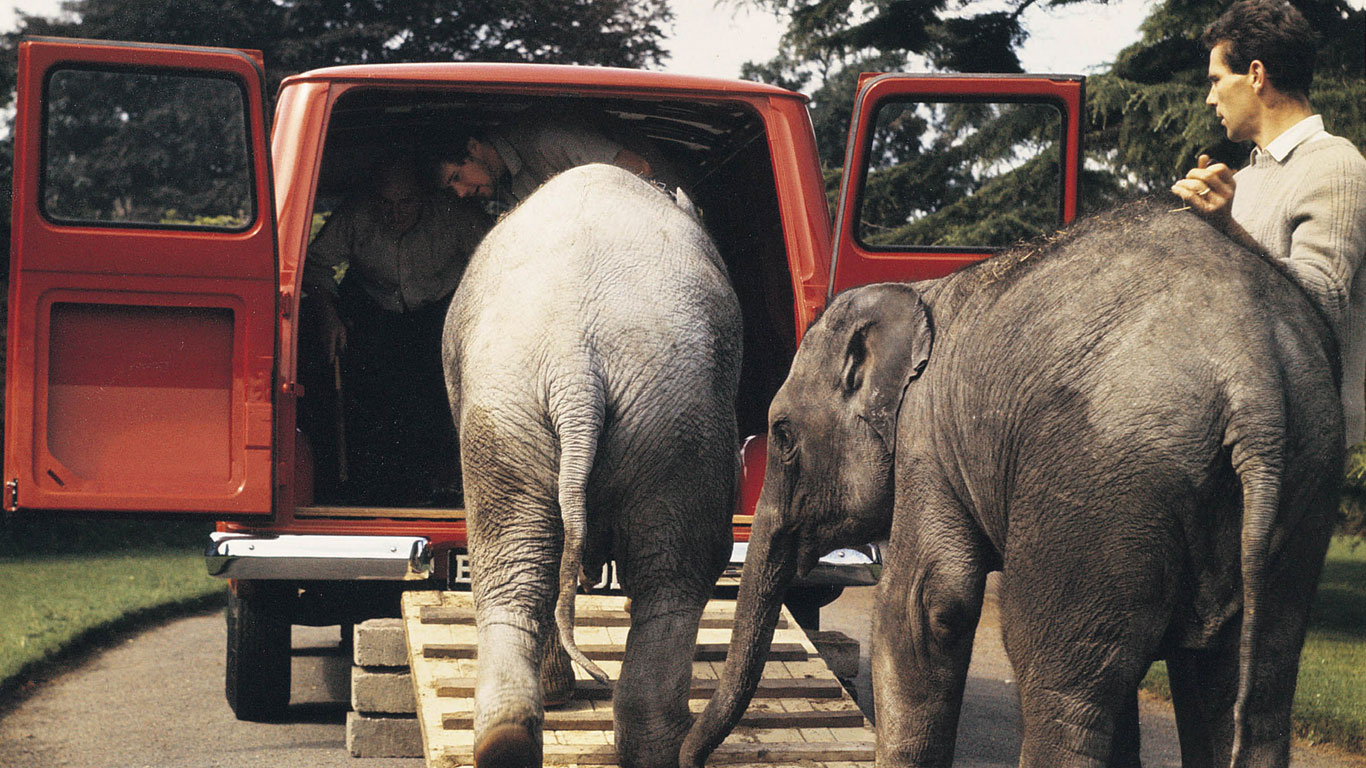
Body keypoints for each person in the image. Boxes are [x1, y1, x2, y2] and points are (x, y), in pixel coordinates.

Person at [1171, 0, 1366, 446]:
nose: (1210, 97)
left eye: (1217, 80)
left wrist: (1227, 230)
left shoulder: (1336, 164)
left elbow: (1324, 296)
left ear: (1256, 75)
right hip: (1245, 435)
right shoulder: (1248, 177)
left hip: (1303, 449)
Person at [303, 153, 492, 505]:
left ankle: (446, 484)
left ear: (422, 196)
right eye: (386, 204)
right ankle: (372, 487)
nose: (395, 213)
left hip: (440, 313)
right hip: (375, 311)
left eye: (405, 202)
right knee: (375, 402)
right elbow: (314, 265)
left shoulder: (455, 215)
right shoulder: (356, 215)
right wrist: (328, 314)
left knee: (440, 402)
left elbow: (497, 261)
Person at [429, 116, 676, 206]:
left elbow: (640, 170)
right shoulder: (499, 186)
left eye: (457, 178)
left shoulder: (546, 141)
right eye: (451, 189)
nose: (460, 193)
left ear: (473, 146)